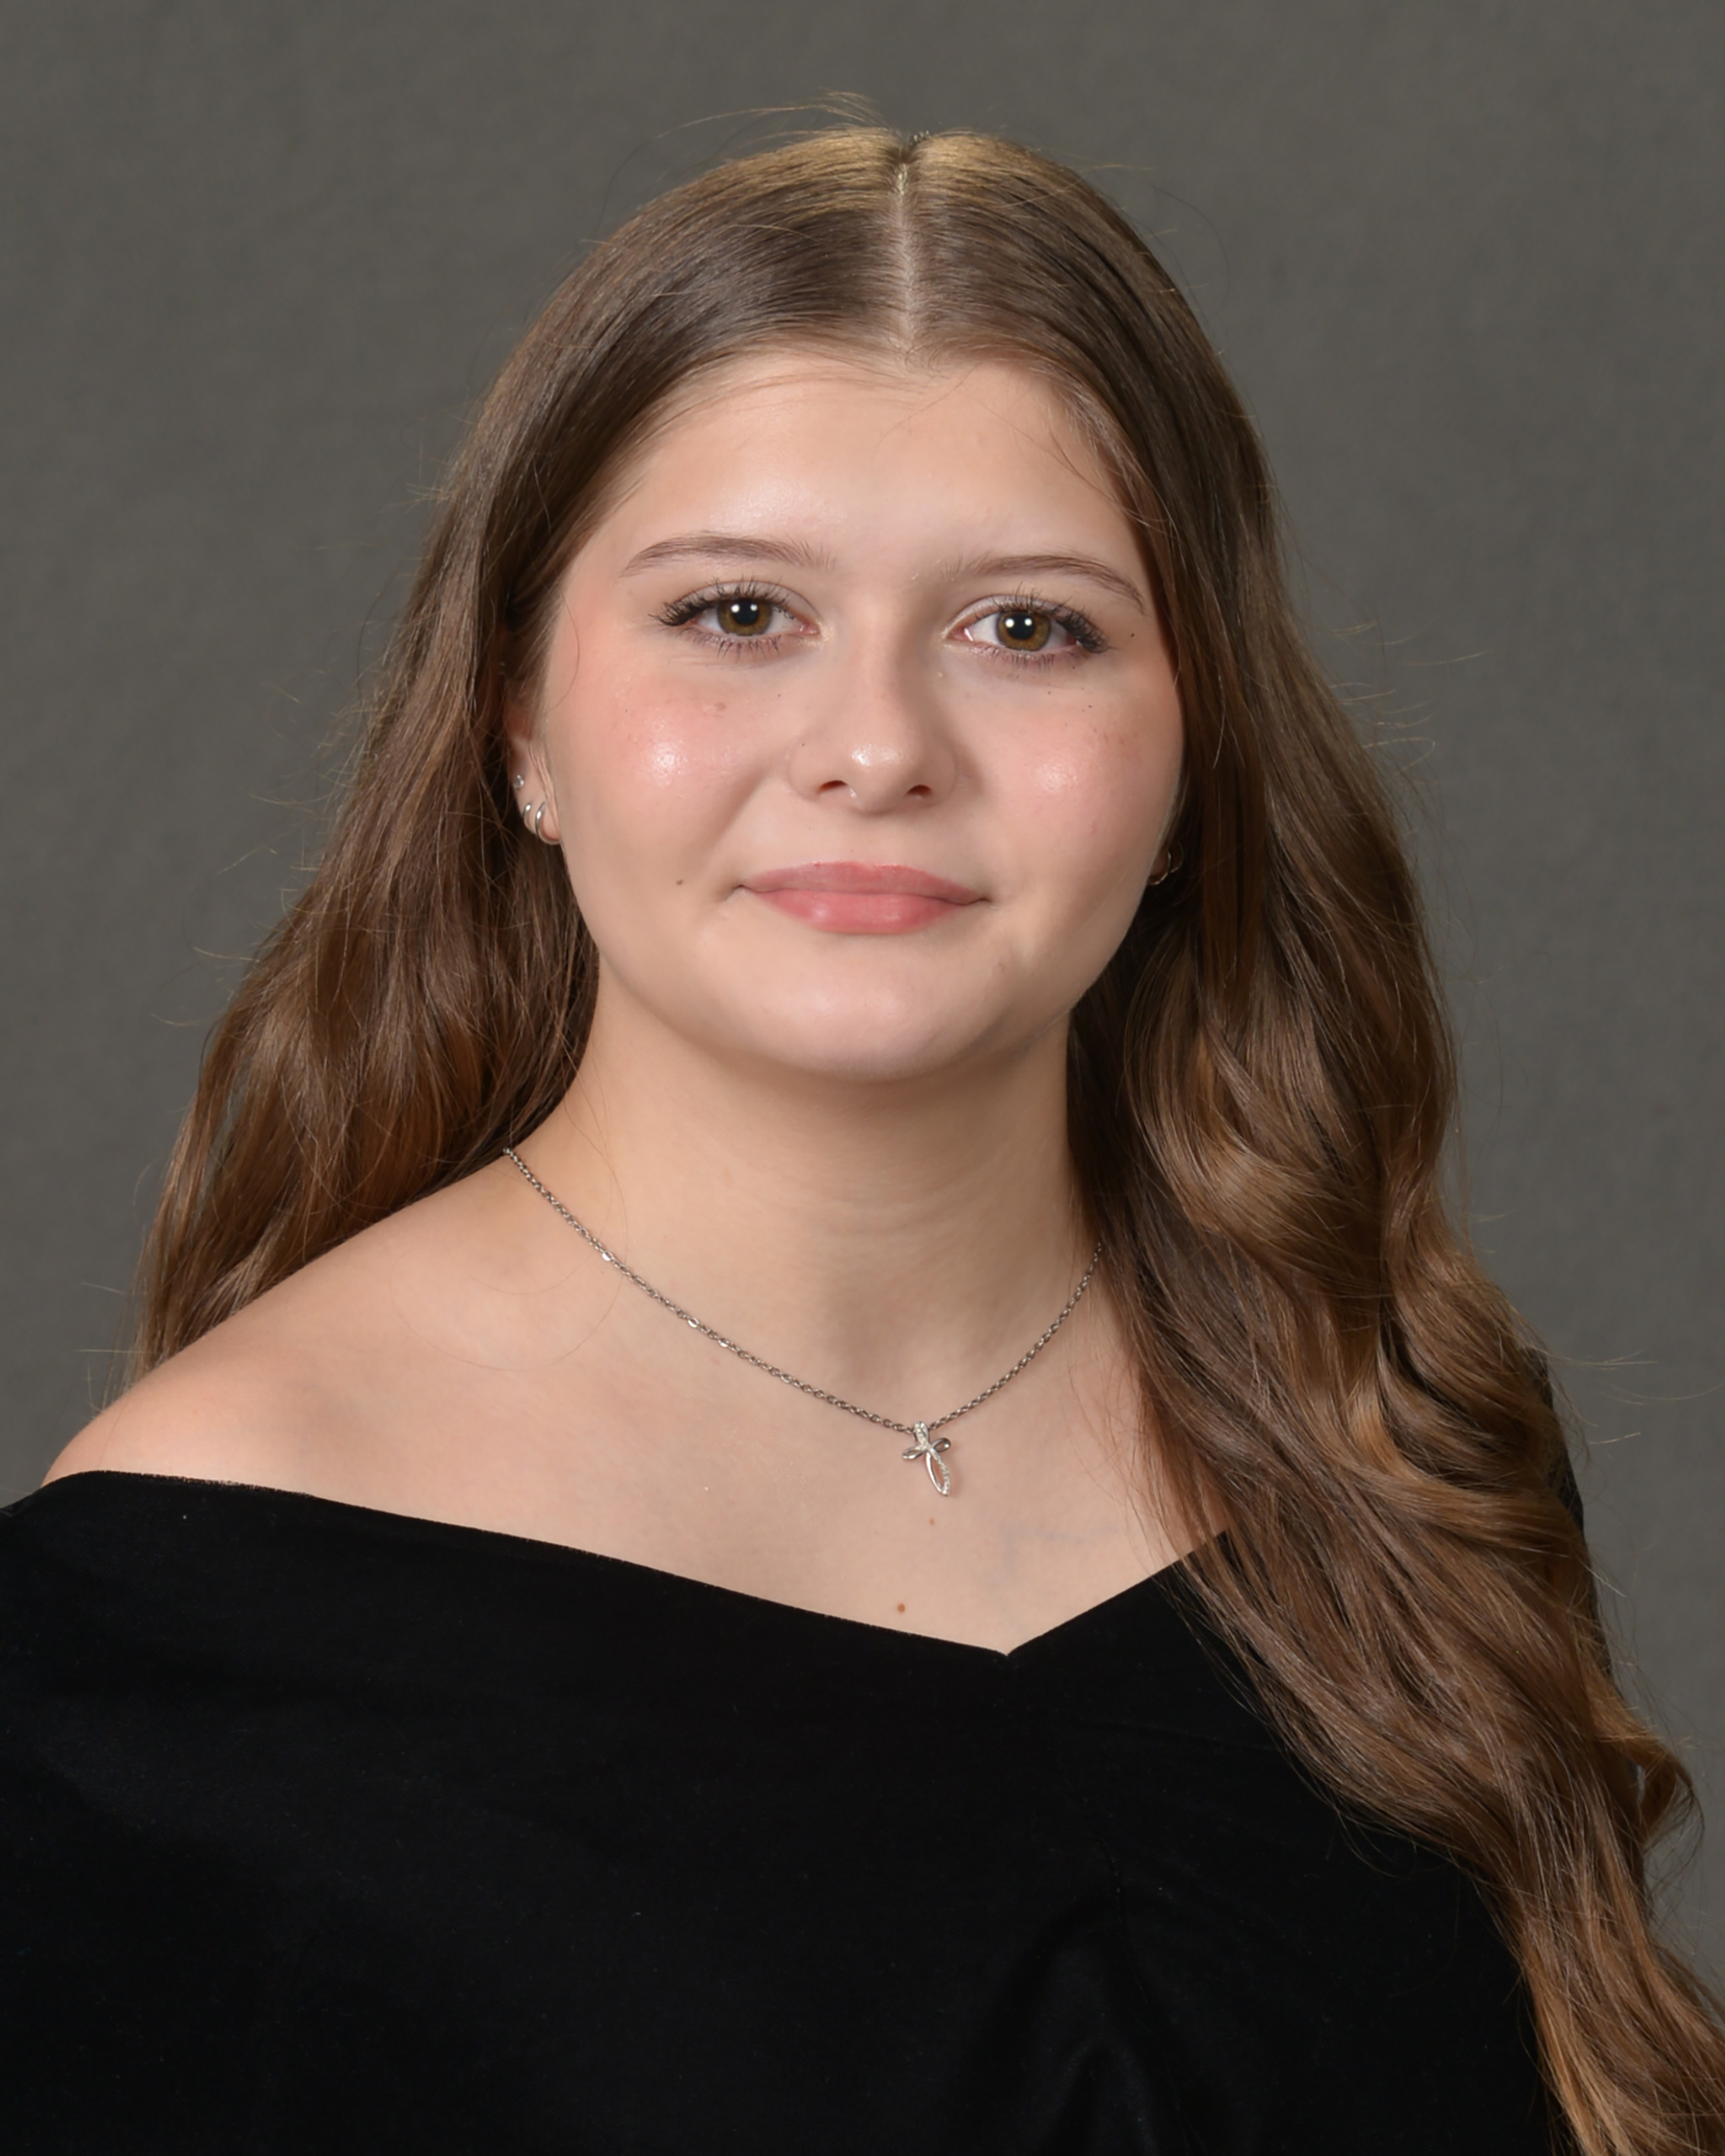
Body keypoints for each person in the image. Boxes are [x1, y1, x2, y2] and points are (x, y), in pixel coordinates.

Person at [1, 125, 1719, 2155]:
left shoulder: (1383, 1434)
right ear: (518, 725)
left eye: (1030, 629)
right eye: (739, 612)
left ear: (1197, 757)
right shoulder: (175, 1614)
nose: (879, 747)